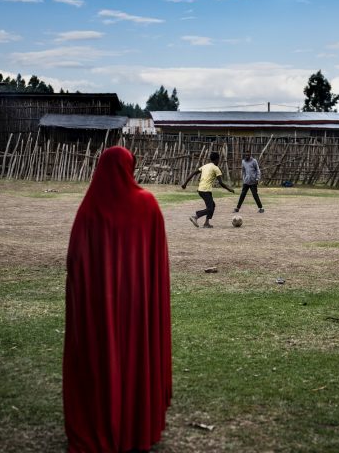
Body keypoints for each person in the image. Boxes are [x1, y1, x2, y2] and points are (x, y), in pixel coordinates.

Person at [63, 147, 171, 453]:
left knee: (102, 357)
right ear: (130, 167)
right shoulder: (147, 204)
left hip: (100, 305)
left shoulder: (89, 208)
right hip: (139, 305)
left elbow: (76, 262)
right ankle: (135, 425)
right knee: (136, 355)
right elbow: (156, 263)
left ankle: (101, 420)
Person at [182, 151, 234, 228]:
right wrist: (229, 189)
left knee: (212, 205)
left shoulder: (205, 166)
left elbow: (193, 173)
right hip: (205, 190)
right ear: (217, 159)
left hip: (201, 190)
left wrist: (185, 183)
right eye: (218, 160)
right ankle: (195, 216)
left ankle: (206, 223)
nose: (219, 161)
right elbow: (221, 183)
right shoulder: (216, 168)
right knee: (210, 208)